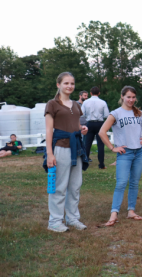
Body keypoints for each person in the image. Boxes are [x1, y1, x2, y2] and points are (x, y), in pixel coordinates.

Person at [98, 86, 142, 227]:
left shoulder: (140, 113)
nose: (131, 100)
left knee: (134, 182)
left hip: (139, 152)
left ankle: (131, 211)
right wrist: (113, 148)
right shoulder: (115, 114)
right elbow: (102, 132)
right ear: (122, 96)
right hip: (125, 153)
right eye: (128, 97)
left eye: (133, 97)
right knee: (121, 183)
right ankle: (114, 214)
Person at [44, 72, 89, 233]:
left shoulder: (77, 105)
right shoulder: (52, 104)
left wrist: (81, 129)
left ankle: (72, 218)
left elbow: (76, 125)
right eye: (66, 83)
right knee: (59, 186)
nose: (69, 86)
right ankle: (55, 221)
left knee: (75, 185)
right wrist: (50, 154)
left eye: (72, 83)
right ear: (58, 85)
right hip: (60, 147)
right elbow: (49, 130)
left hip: (76, 147)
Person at [82, 87, 110, 169]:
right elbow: (106, 115)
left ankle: (85, 163)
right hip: (100, 123)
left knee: (87, 144)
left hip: (90, 123)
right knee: (100, 144)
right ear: (99, 93)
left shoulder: (86, 102)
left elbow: (82, 113)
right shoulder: (103, 102)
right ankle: (101, 164)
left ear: (90, 93)